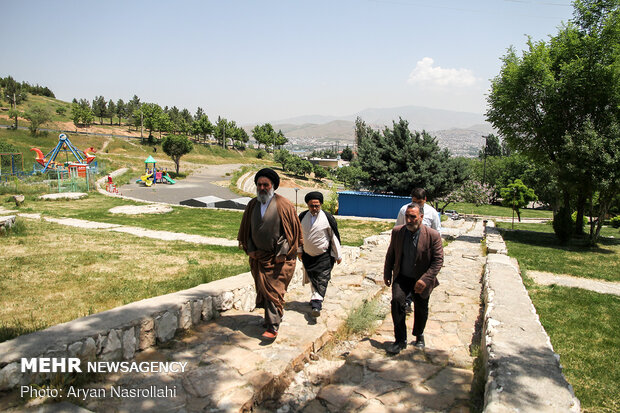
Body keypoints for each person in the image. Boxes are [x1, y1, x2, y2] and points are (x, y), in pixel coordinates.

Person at [237, 168, 303, 340]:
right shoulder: (253, 205)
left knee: (274, 291)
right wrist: (250, 249)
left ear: (273, 185)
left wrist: (282, 252)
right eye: (259, 185)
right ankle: (272, 319)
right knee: (265, 290)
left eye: (266, 184)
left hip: (279, 258)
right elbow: (246, 230)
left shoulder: (284, 205)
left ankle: (273, 328)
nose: (262, 188)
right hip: (258, 258)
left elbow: (292, 233)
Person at [384, 202, 443, 354]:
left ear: (421, 217)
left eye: (413, 217)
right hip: (402, 276)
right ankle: (400, 340)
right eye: (407, 217)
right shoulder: (397, 232)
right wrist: (387, 273)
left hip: (422, 279)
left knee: (421, 308)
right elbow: (391, 254)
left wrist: (425, 279)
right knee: (397, 302)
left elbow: (438, 260)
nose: (409, 220)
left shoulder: (432, 236)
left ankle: (419, 335)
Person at [395, 188, 441, 314]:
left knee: (421, 291)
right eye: (414, 201)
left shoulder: (432, 213)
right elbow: (398, 228)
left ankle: (419, 324)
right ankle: (407, 302)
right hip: (407, 250)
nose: (417, 205)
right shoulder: (404, 210)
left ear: (425, 200)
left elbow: (437, 231)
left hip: (424, 254)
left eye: (420, 202)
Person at [298, 191, 342, 318]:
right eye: (312, 206)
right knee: (313, 279)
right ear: (307, 205)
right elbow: (299, 236)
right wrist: (299, 251)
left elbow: (334, 237)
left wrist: (338, 254)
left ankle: (317, 304)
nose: (314, 208)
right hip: (307, 256)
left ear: (321, 204)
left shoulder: (327, 217)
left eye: (317, 205)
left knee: (322, 279)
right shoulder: (302, 217)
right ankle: (315, 299)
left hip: (324, 256)